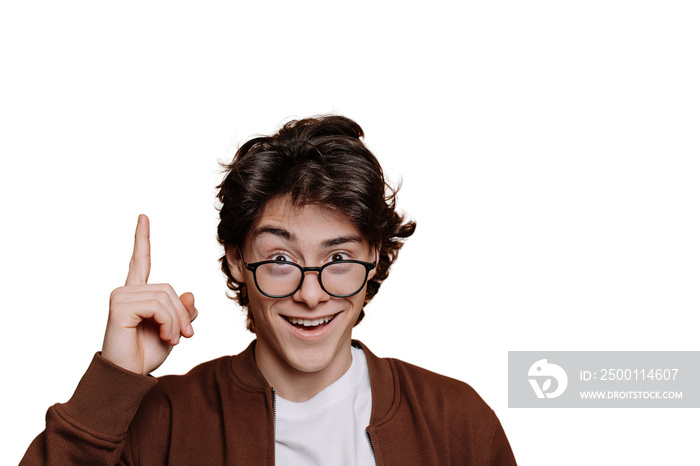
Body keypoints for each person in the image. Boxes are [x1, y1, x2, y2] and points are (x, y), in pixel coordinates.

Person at [22, 115, 516, 465]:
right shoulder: (164, 421)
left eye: (339, 258)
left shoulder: (456, 420)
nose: (311, 294)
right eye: (281, 259)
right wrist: (113, 383)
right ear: (238, 259)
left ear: (376, 259)